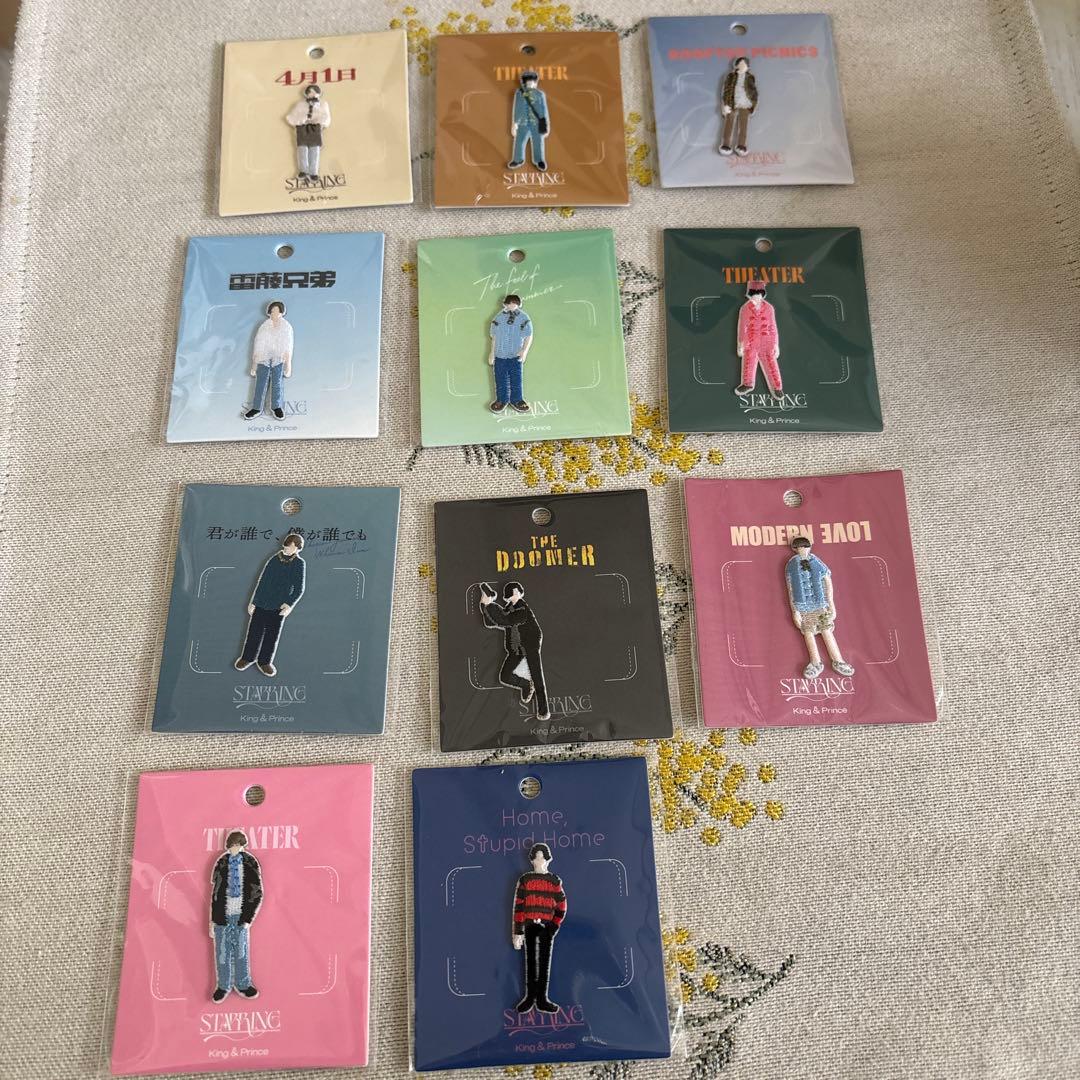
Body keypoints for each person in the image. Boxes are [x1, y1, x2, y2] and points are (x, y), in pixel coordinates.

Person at [235, 533, 306, 677]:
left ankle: (264, 662)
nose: (287, 548)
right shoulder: (274, 559)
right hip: (262, 602)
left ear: (297, 548)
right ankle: (247, 657)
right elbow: (262, 581)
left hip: (279, 606)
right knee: (254, 632)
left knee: (271, 636)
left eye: (291, 546)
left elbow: (299, 588)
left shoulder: (299, 564)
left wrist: (289, 604)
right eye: (286, 545)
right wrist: (254, 602)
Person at [784, 537, 855, 678]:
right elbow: (790, 589)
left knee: (826, 630)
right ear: (795, 549)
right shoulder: (791, 565)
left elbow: (828, 583)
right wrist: (795, 611)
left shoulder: (816, 562)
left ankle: (838, 660)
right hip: (803, 607)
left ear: (809, 547)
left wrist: (831, 605)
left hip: (820, 604)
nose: (802, 549)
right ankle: (815, 661)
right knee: (808, 632)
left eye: (805, 546)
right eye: (799, 547)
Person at [479, 580, 550, 721]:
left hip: (530, 643)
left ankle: (544, 711)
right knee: (504, 676)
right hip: (516, 648)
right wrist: (485, 605)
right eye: (515, 591)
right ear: (509, 594)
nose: (517, 592)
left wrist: (490, 604)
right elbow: (491, 621)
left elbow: (506, 620)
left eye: (518, 590)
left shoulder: (522, 609)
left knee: (537, 677)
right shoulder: (508, 609)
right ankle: (525, 684)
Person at [511, 843, 566, 1014]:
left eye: (542, 858)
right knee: (530, 961)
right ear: (532, 860)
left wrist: (554, 925)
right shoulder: (525, 880)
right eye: (536, 858)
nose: (539, 861)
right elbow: (519, 907)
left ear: (548, 860)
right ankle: (530, 997)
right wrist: (518, 932)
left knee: (544, 962)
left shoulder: (554, 881)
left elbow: (562, 906)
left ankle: (542, 999)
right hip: (529, 926)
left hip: (546, 927)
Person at [209, 830, 263, 1003]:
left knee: (241, 952)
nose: (234, 848)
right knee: (222, 953)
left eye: (237, 845)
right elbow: (215, 894)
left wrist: (247, 918)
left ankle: (243, 984)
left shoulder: (250, 862)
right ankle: (223, 985)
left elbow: (256, 892)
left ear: (242, 846)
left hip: (241, 916)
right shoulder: (222, 862)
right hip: (222, 917)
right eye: (231, 846)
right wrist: (212, 921)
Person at [245, 300, 293, 421]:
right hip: (264, 358)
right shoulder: (264, 327)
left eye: (276, 311)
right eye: (272, 311)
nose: (273, 313)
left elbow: (287, 347)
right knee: (260, 383)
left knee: (277, 383)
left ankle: (277, 407)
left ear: (281, 313)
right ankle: (256, 408)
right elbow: (258, 344)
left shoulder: (286, 327)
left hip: (278, 358)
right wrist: (254, 363)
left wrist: (288, 364)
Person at [735, 280, 782, 400]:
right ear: (749, 293)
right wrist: (740, 343)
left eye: (759, 293)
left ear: (763, 293)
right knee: (748, 362)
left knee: (771, 364)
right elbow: (742, 327)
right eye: (754, 293)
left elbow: (773, 327)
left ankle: (777, 387)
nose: (756, 296)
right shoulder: (745, 308)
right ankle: (747, 384)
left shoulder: (769, 308)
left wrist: (775, 344)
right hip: (750, 341)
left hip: (767, 341)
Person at [488, 294, 533, 414]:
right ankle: (501, 399)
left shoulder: (523, 318)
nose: (512, 306)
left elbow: (529, 335)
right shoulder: (498, 318)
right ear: (505, 304)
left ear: (519, 304)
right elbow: (494, 337)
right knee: (500, 378)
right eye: (510, 303)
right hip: (500, 354)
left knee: (516, 378)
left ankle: (517, 399)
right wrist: (492, 353)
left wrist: (524, 351)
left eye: (515, 303)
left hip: (515, 354)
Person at [286, 83, 331, 182]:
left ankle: (313, 172)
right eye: (311, 93)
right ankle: (303, 170)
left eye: (315, 93)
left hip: (315, 129)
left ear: (319, 94)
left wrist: (317, 120)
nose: (313, 95)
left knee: (315, 151)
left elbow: (326, 117)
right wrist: (302, 119)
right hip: (302, 129)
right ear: (306, 93)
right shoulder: (300, 104)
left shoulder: (323, 104)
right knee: (302, 150)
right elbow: (291, 117)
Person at [508, 70, 550, 171]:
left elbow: (543, 109)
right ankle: (517, 159)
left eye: (532, 81)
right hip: (523, 122)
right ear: (525, 83)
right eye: (528, 82)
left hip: (537, 122)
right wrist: (515, 123)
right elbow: (517, 108)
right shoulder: (519, 93)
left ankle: (539, 160)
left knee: (538, 142)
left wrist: (545, 124)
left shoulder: (540, 94)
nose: (530, 83)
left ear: (535, 82)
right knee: (519, 141)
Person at [719, 56, 757, 157]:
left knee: (743, 125)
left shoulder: (750, 77)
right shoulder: (731, 76)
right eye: (740, 64)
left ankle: (741, 145)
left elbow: (754, 92)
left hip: (745, 104)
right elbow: (726, 90)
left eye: (744, 64)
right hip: (733, 102)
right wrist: (725, 104)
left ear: (748, 67)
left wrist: (753, 104)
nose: (742, 66)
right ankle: (726, 144)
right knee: (729, 123)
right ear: (736, 65)